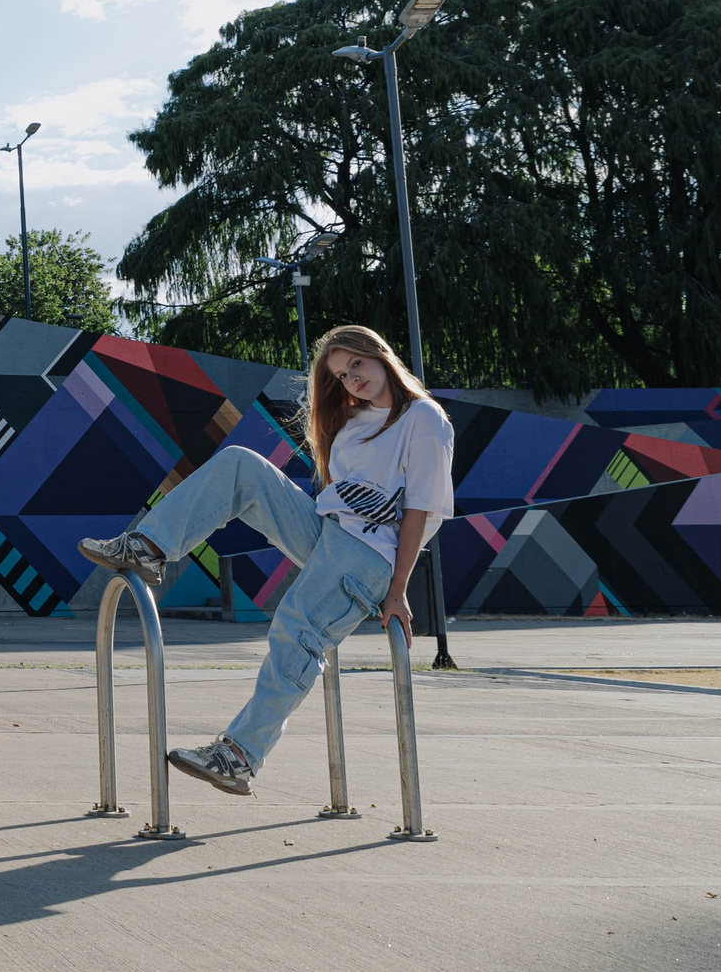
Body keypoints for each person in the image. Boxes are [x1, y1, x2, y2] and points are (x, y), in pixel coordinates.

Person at [79, 321, 455, 796]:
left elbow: (420, 510)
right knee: (241, 464)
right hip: (329, 533)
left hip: (372, 554)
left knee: (297, 629)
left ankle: (240, 755)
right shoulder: (355, 421)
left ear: (380, 354)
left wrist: (397, 590)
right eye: (341, 375)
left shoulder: (423, 419)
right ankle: (149, 547)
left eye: (356, 364)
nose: (352, 379)